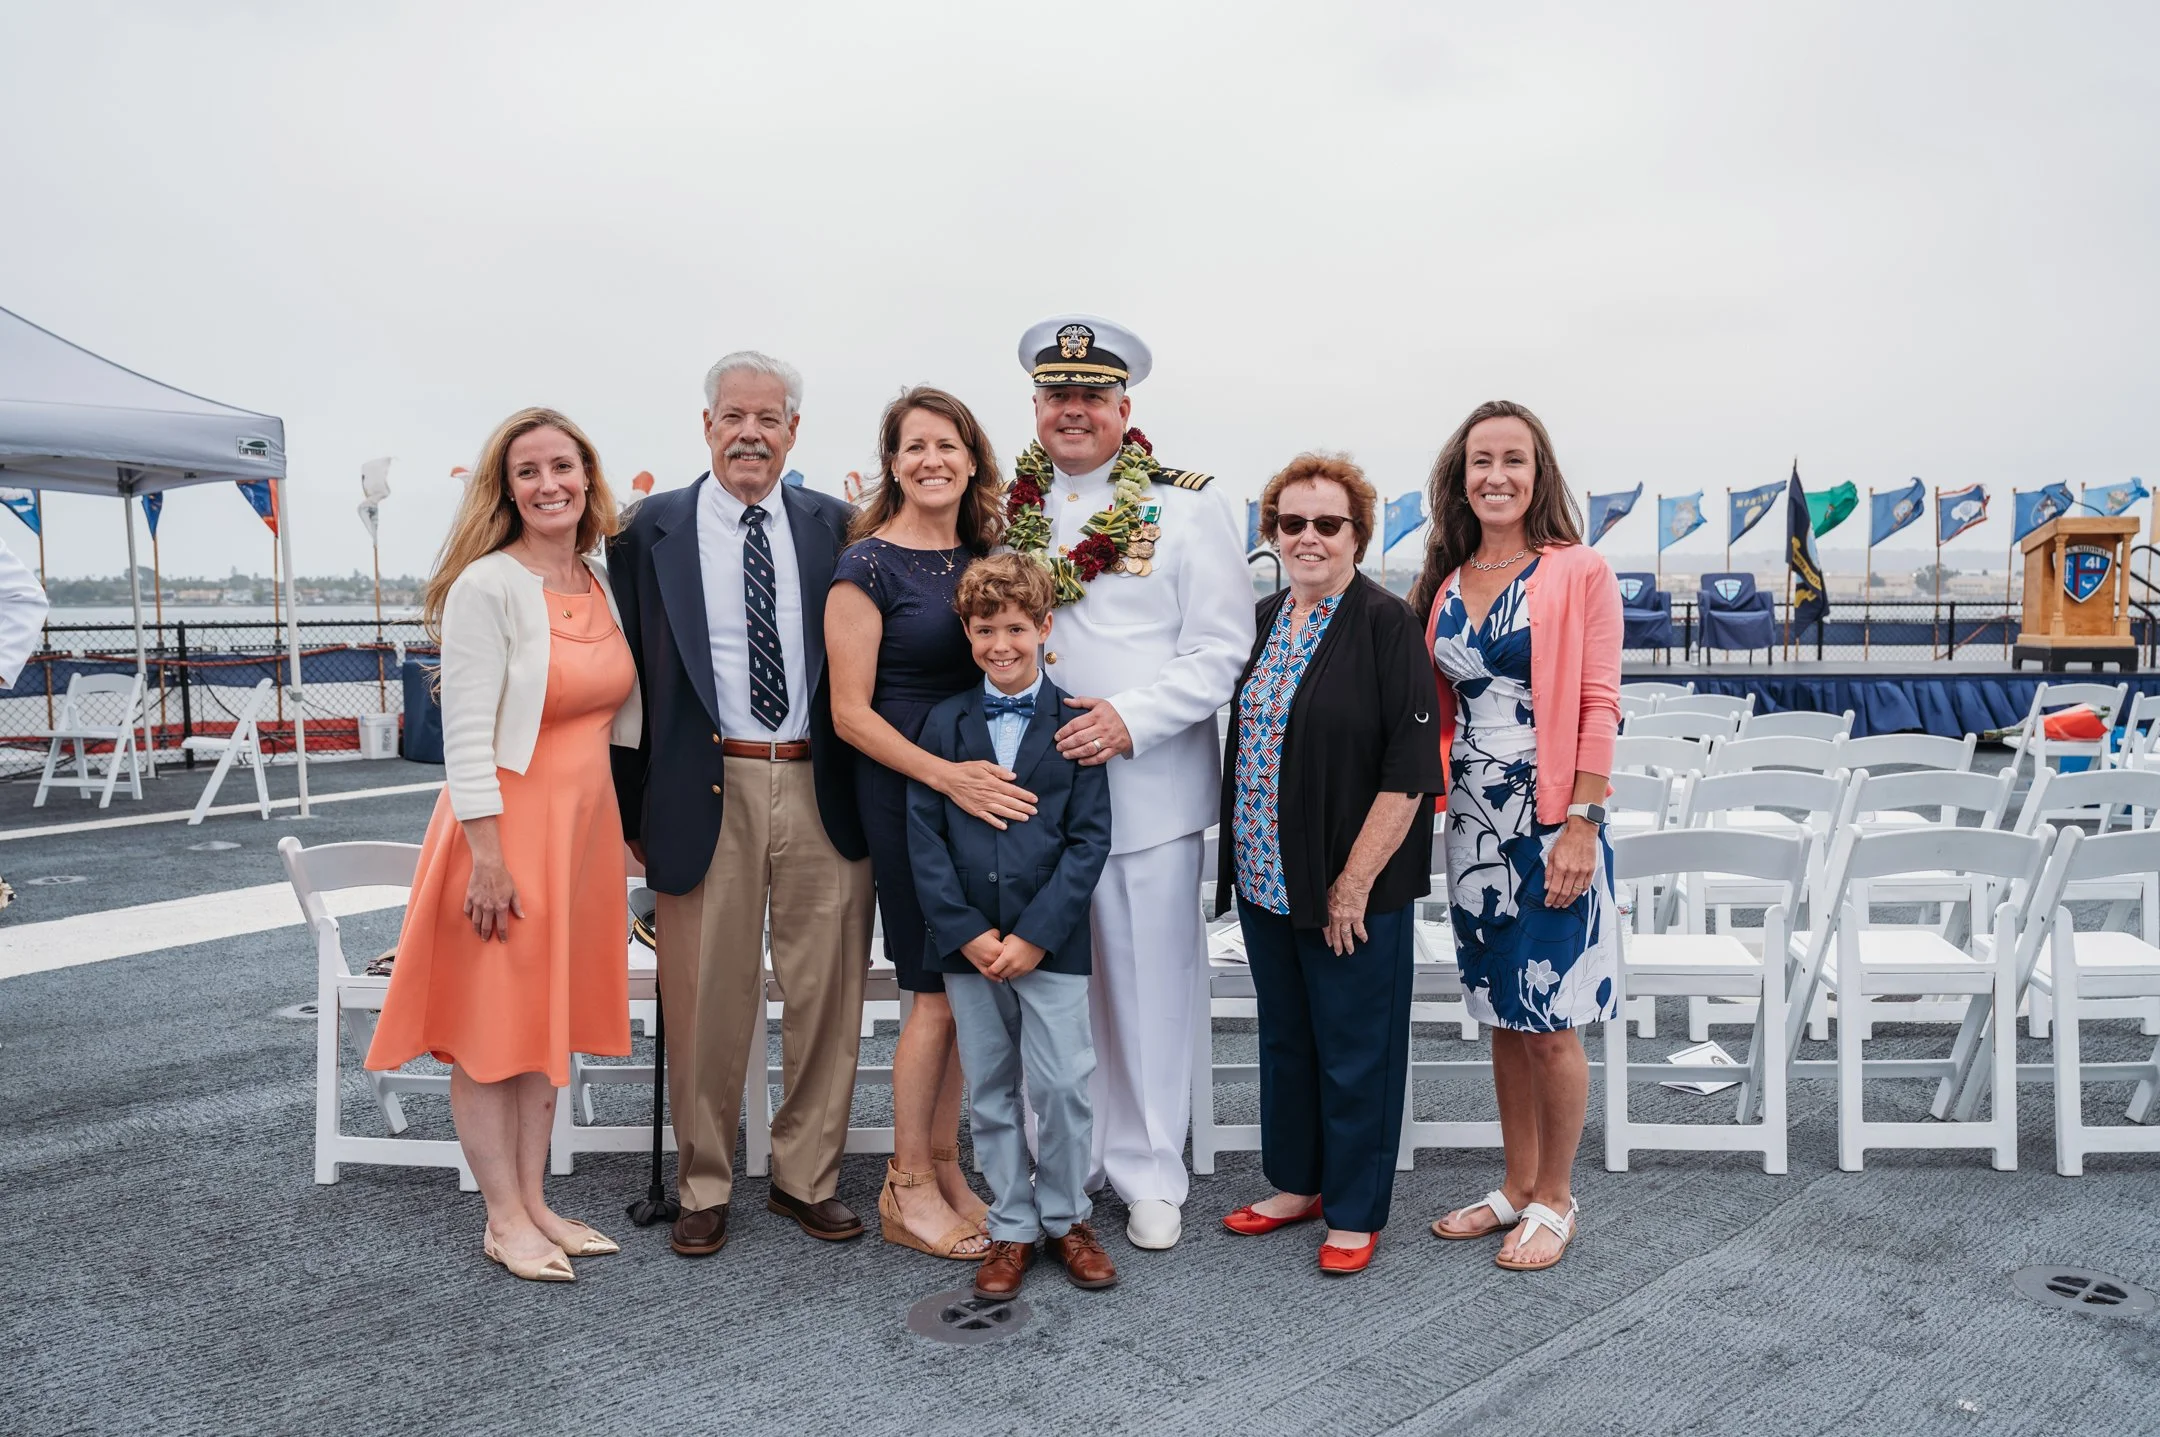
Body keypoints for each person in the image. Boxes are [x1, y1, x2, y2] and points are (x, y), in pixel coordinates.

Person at [608, 352, 874, 1259]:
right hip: (701, 784)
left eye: (769, 418)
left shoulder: (840, 527)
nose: (750, 433)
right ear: (707, 424)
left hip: (819, 779)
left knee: (827, 992)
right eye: (733, 416)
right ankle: (705, 1182)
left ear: (794, 430)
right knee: (705, 998)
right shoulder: (645, 533)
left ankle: (808, 1178)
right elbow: (630, 685)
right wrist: (629, 814)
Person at [366, 407, 640, 1282]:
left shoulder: (601, 582)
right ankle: (501, 1217)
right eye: (529, 471)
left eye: (565, 466)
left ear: (588, 478)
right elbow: (468, 735)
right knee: (492, 1029)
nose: (550, 483)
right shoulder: (489, 584)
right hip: (505, 834)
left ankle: (537, 1202)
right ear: (507, 488)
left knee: (544, 1022)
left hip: (583, 834)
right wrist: (486, 855)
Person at [1008, 314, 1254, 1250]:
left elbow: (1220, 648)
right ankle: (1050, 1164)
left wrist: (1129, 720)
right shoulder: (1005, 507)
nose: (1073, 411)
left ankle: (1150, 1167)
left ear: (1123, 406)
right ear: (1036, 406)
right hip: (1033, 796)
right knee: (1047, 985)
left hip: (1145, 790)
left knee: (1149, 987)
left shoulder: (1186, 507)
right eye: (1056, 396)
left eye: (1090, 396)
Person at [1212, 454, 1446, 1276]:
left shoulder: (1386, 622)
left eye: (1327, 524)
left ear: (1357, 534)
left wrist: (1355, 882)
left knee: (1354, 1045)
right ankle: (1297, 1182)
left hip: (1352, 883)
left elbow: (1412, 767)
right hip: (1266, 871)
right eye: (1291, 523)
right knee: (1288, 1036)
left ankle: (1352, 1207)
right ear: (1272, 531)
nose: (1308, 537)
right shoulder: (1264, 615)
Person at [1410, 400, 1621, 1273]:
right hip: (1471, 819)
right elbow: (1437, 708)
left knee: (1551, 1018)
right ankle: (1517, 1184)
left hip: (1551, 817)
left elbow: (1600, 702)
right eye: (1480, 461)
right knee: (1501, 1014)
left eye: (1515, 460)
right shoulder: (1445, 578)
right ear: (1461, 477)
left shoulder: (1579, 571)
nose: (1497, 475)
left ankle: (1559, 1199)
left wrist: (1583, 820)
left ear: (1540, 475)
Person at [828, 386, 1024, 1262]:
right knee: (934, 990)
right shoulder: (864, 566)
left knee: (964, 988)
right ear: (894, 462)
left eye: (947, 444)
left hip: (978, 791)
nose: (930, 460)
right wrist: (945, 777)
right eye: (913, 447)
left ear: (973, 458)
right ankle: (906, 1184)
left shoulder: (988, 555)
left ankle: (945, 1168)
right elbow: (848, 712)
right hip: (913, 791)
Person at [906, 555, 1117, 1299]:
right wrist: (965, 932)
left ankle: (1066, 1216)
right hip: (969, 947)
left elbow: (1090, 840)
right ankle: (1013, 1223)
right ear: (967, 633)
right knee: (990, 1087)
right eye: (987, 628)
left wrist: (1034, 933)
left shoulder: (1075, 723)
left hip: (1048, 943)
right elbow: (924, 838)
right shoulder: (943, 722)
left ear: (1045, 628)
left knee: (1063, 1085)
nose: (1002, 642)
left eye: (1017, 627)